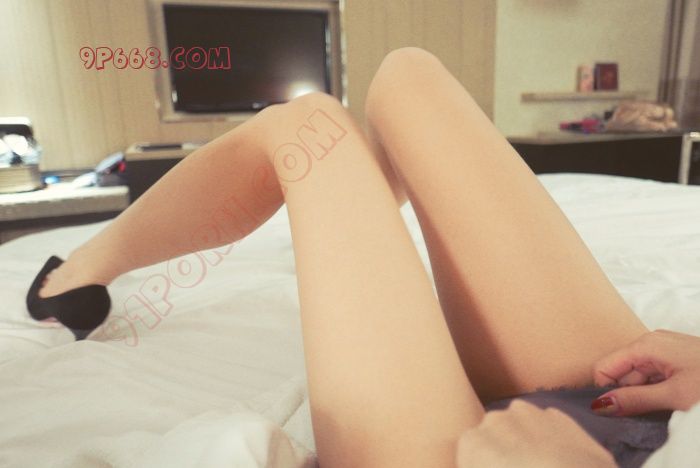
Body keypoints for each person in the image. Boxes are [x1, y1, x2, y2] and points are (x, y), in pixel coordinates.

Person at [24, 47, 700, 467]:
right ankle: (355, 198)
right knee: (408, 74)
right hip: (654, 415)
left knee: (308, 128)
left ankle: (81, 272)